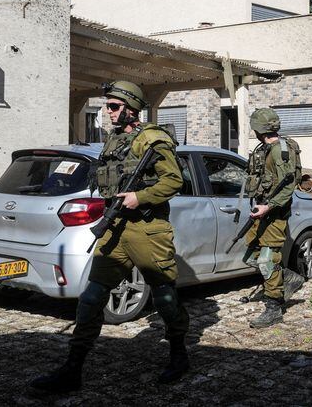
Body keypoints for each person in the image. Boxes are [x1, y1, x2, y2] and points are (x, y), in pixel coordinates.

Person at [30, 81, 190, 393]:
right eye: (107, 106)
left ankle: (178, 354)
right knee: (91, 297)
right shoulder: (114, 140)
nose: (108, 112)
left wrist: (139, 197)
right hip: (114, 226)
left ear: (132, 109)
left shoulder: (152, 139)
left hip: (147, 229)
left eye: (114, 107)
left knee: (164, 296)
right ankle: (72, 369)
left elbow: (174, 181)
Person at [244, 107, 305, 328]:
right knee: (251, 256)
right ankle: (288, 278)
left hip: (275, 214)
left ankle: (274, 308)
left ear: (258, 129)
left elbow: (288, 186)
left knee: (267, 261)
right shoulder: (266, 148)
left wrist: (268, 207)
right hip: (263, 212)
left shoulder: (280, 151)